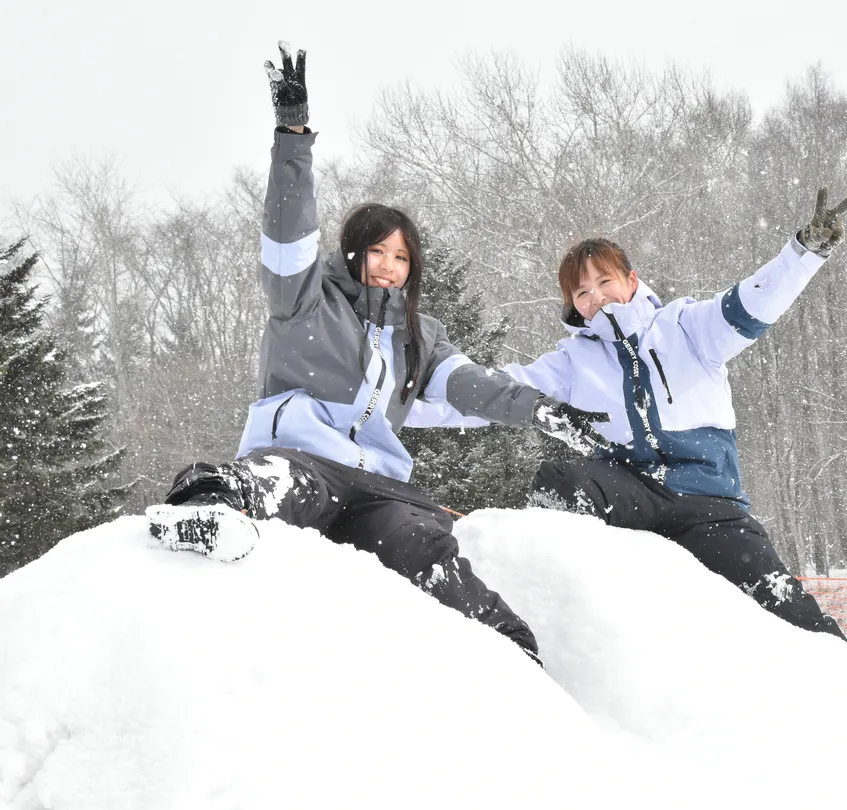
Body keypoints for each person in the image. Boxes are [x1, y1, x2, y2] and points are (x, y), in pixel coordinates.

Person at [145, 43, 608, 665]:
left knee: (419, 545)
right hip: (307, 459)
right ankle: (207, 507)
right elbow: (287, 232)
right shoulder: (303, 301)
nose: (390, 267)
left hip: (380, 485)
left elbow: (472, 386)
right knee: (285, 485)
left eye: (402, 257)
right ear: (355, 253)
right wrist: (293, 139)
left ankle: (510, 648)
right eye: (379, 252)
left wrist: (541, 410)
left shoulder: (421, 336)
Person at [498, 191, 847, 641]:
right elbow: (499, 389)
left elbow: (749, 305)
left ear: (631, 280)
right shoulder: (573, 360)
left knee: (784, 605)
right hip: (632, 490)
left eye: (605, 282)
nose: (597, 297)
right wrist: (409, 392)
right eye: (582, 292)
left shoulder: (686, 327)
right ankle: (585, 622)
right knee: (562, 482)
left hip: (709, 503)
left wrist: (803, 253)